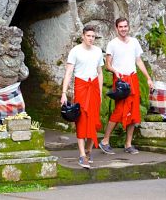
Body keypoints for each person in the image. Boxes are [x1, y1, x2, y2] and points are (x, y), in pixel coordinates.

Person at [99, 18, 153, 154]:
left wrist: (148, 78)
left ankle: (128, 144)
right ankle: (105, 140)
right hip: (120, 80)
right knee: (119, 111)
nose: (123, 29)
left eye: (125, 26)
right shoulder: (112, 44)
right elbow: (107, 64)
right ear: (116, 28)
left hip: (133, 78)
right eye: (120, 27)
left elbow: (138, 61)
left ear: (128, 27)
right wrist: (115, 71)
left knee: (134, 112)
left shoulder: (134, 42)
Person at [60, 25, 104, 169]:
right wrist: (64, 93)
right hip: (81, 87)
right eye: (89, 36)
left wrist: (100, 91)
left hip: (94, 87)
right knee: (81, 120)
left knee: (94, 120)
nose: (91, 39)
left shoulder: (98, 51)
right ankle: (82, 155)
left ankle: (89, 150)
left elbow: (100, 73)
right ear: (83, 36)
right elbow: (68, 73)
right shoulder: (75, 51)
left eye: (93, 36)